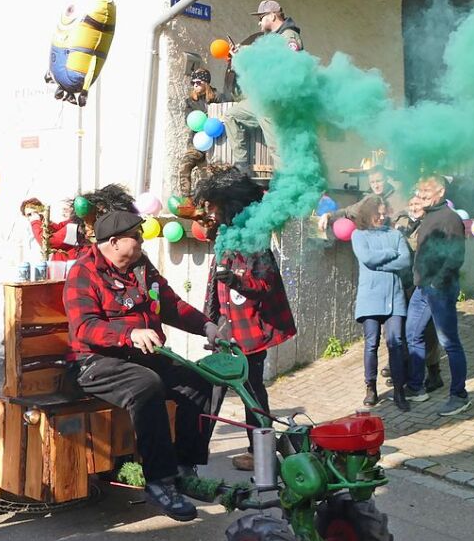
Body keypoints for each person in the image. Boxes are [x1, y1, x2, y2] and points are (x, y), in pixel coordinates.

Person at [63, 210, 219, 521]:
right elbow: (84, 328)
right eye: (135, 236)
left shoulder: (140, 266)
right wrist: (129, 334)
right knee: (147, 385)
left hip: (141, 356)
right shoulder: (84, 272)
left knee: (203, 378)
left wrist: (206, 326)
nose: (141, 239)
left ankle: (184, 466)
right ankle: (159, 482)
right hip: (94, 362)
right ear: (114, 242)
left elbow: (170, 304)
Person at [194, 166, 297, 470]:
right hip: (229, 328)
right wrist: (208, 321)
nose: (208, 211)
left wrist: (236, 281)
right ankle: (195, 450)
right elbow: (216, 283)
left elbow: (264, 285)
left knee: (251, 391)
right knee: (214, 388)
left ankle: (261, 453)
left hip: (251, 331)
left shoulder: (254, 238)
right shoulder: (227, 232)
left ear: (228, 203)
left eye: (212, 205)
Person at [406, 175, 470, 416]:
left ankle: (459, 395)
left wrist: (437, 282)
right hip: (423, 288)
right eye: (420, 191)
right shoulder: (429, 215)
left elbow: (456, 256)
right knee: (412, 334)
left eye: (426, 191)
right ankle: (416, 387)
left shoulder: (450, 219)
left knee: (449, 342)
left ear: (440, 192)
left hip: (439, 289)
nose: (421, 196)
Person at [222, 0, 303, 174]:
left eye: (261, 17)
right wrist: (243, 54)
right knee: (231, 116)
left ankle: (287, 186)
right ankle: (242, 167)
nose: (259, 22)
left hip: (277, 102)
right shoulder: (270, 39)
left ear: (273, 16)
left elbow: (289, 64)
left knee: (278, 149)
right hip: (262, 100)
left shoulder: (288, 36)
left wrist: (251, 54)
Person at [350, 195, 411, 412]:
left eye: (385, 213)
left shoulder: (395, 234)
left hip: (395, 298)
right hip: (370, 298)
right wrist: (389, 253)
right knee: (371, 344)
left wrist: (381, 264)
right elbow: (367, 259)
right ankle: (371, 388)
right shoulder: (358, 235)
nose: (382, 217)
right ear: (368, 214)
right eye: (378, 214)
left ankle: (399, 392)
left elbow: (405, 261)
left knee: (395, 343)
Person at [390, 194, 443, 393]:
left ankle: (434, 372)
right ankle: (406, 371)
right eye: (410, 203)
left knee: (426, 330)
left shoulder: (428, 224)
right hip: (403, 282)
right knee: (405, 329)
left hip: (422, 283)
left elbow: (417, 247)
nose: (413, 207)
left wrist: (401, 237)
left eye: (417, 204)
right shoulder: (402, 221)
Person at [178, 68, 230, 197]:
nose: (195, 85)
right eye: (193, 82)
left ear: (206, 82)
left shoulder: (218, 98)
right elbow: (189, 120)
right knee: (185, 166)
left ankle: (205, 206)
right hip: (196, 143)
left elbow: (226, 115)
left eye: (198, 82)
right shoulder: (190, 101)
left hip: (215, 144)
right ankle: (185, 200)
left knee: (206, 177)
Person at [318, 165, 407, 231]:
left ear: (386, 179)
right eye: (372, 182)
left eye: (379, 181)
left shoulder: (399, 198)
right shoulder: (369, 199)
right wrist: (328, 215)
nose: (375, 186)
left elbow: (404, 225)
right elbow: (348, 212)